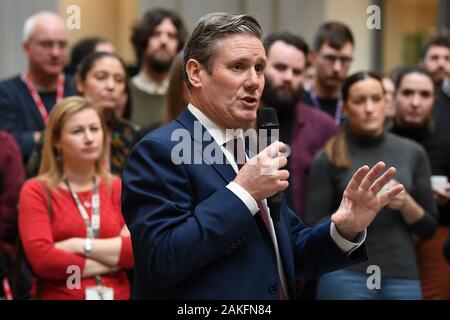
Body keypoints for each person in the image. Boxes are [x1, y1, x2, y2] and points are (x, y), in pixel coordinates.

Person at [121, 13, 403, 300]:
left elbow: (289, 250)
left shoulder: (251, 148)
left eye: (259, 68)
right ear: (195, 73)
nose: (255, 81)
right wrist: (242, 193)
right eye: (238, 67)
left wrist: (345, 228)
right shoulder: (159, 150)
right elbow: (162, 259)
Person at [304, 71, 437, 300]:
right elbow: (310, 228)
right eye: (359, 101)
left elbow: (428, 228)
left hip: (401, 274)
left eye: (376, 99)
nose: (369, 108)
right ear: (344, 107)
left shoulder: (413, 152)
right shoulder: (329, 156)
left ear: (388, 103)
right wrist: (351, 211)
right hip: (344, 273)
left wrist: (406, 203)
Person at [19, 97, 133, 300]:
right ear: (56, 141)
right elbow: (44, 261)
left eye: (94, 129)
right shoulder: (36, 190)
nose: (89, 138)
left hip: (118, 294)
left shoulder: (117, 186)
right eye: (77, 131)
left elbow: (136, 251)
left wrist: (76, 245)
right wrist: (115, 259)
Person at [26, 52, 141, 178]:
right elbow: (36, 179)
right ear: (80, 83)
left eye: (119, 80)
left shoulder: (132, 134)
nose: (111, 86)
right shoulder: (60, 126)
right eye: (101, 77)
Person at [260, 31, 338, 218]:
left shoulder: (323, 126)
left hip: (305, 237)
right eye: (280, 68)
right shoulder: (239, 120)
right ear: (260, 67)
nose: (288, 77)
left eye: (296, 72)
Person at [391, 65, 450, 299]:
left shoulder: (445, 142)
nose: (415, 102)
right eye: (407, 93)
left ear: (435, 100)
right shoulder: (378, 135)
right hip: (385, 236)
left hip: (437, 234)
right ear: (394, 95)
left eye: (424, 95)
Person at [0, 11, 76, 163]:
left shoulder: (78, 88)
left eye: (62, 45)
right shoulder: (5, 92)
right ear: (27, 47)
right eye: (46, 44)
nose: (55, 53)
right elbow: (9, 146)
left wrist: (34, 137)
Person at [130, 8, 187, 128]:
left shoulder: (185, 95)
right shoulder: (124, 92)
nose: (164, 41)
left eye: (171, 35)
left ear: (179, 44)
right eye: (156, 34)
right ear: (143, 41)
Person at [302, 21, 355, 124]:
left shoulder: (355, 106)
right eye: (330, 58)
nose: (337, 68)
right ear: (314, 57)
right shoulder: (298, 103)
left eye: (344, 60)